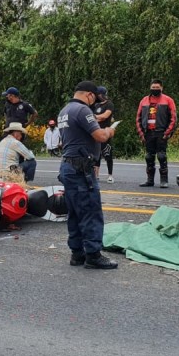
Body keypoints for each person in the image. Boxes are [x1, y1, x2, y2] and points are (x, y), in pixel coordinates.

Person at [58, 80, 118, 269]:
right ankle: (93, 255)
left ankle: (77, 254)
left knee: (75, 212)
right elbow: (99, 136)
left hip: (68, 167)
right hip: (81, 169)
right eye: (95, 98)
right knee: (91, 211)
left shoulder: (64, 111)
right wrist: (109, 131)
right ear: (90, 95)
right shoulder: (83, 111)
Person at [136, 79, 177, 188]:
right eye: (153, 87)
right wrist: (141, 133)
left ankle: (164, 180)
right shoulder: (144, 100)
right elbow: (138, 118)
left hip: (161, 132)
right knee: (149, 157)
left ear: (161, 88)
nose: (155, 89)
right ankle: (150, 180)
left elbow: (173, 118)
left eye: (157, 88)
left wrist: (167, 132)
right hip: (148, 132)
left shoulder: (168, 100)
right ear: (150, 87)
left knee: (161, 156)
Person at [93, 85, 115, 183]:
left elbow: (105, 116)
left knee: (107, 153)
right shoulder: (96, 105)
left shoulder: (109, 104)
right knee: (96, 154)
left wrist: (95, 117)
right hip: (96, 131)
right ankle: (96, 174)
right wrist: (96, 117)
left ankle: (110, 175)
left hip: (105, 132)